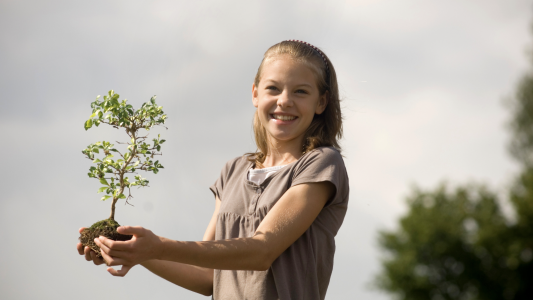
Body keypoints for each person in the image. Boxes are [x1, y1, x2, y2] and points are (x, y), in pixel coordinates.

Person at [77, 40, 349, 300]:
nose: (284, 101)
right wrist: (136, 252)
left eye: (300, 91)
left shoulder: (322, 164)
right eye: (273, 89)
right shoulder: (233, 171)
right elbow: (207, 276)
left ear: (321, 102)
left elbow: (262, 251)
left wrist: (158, 246)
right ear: (255, 93)